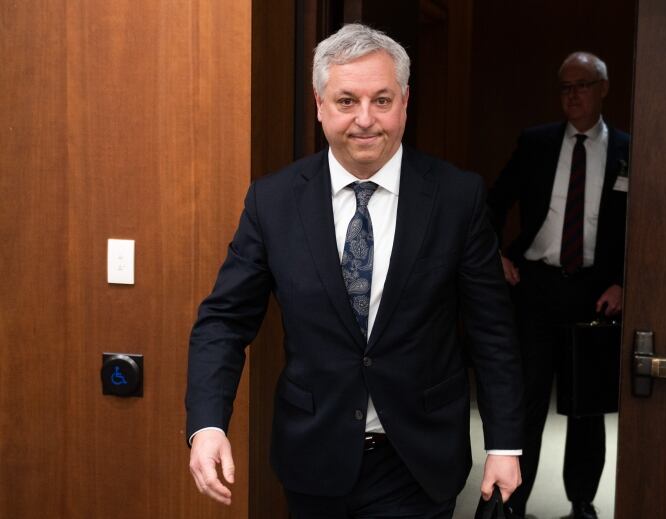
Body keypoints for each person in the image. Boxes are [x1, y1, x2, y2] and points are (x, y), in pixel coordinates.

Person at [185, 23, 524, 519]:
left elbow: (493, 330)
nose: (365, 120)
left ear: (405, 102)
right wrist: (208, 424)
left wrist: (506, 444)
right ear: (320, 104)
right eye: (347, 101)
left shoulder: (456, 197)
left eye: (381, 100)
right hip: (313, 458)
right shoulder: (274, 201)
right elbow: (224, 321)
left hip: (418, 461)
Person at [486, 52, 629, 519]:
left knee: (586, 407)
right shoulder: (537, 143)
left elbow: (648, 228)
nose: (573, 95)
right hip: (536, 286)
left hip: (595, 293)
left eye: (582, 85)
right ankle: (513, 503)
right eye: (565, 87)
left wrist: (626, 283)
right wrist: (497, 256)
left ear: (603, 88)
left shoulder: (629, 150)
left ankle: (582, 503)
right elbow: (493, 201)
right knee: (526, 399)